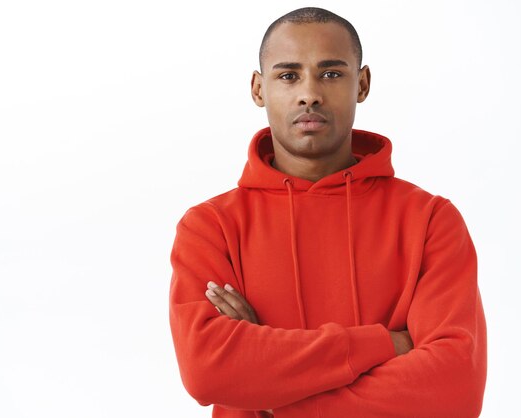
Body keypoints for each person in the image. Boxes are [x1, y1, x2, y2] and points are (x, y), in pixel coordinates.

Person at [169, 7, 487, 418]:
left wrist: (269, 392)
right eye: (288, 75)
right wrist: (385, 344)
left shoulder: (430, 220)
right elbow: (207, 372)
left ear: (363, 83)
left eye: (332, 73)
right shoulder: (210, 226)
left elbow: (453, 390)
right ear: (258, 89)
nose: (310, 93)